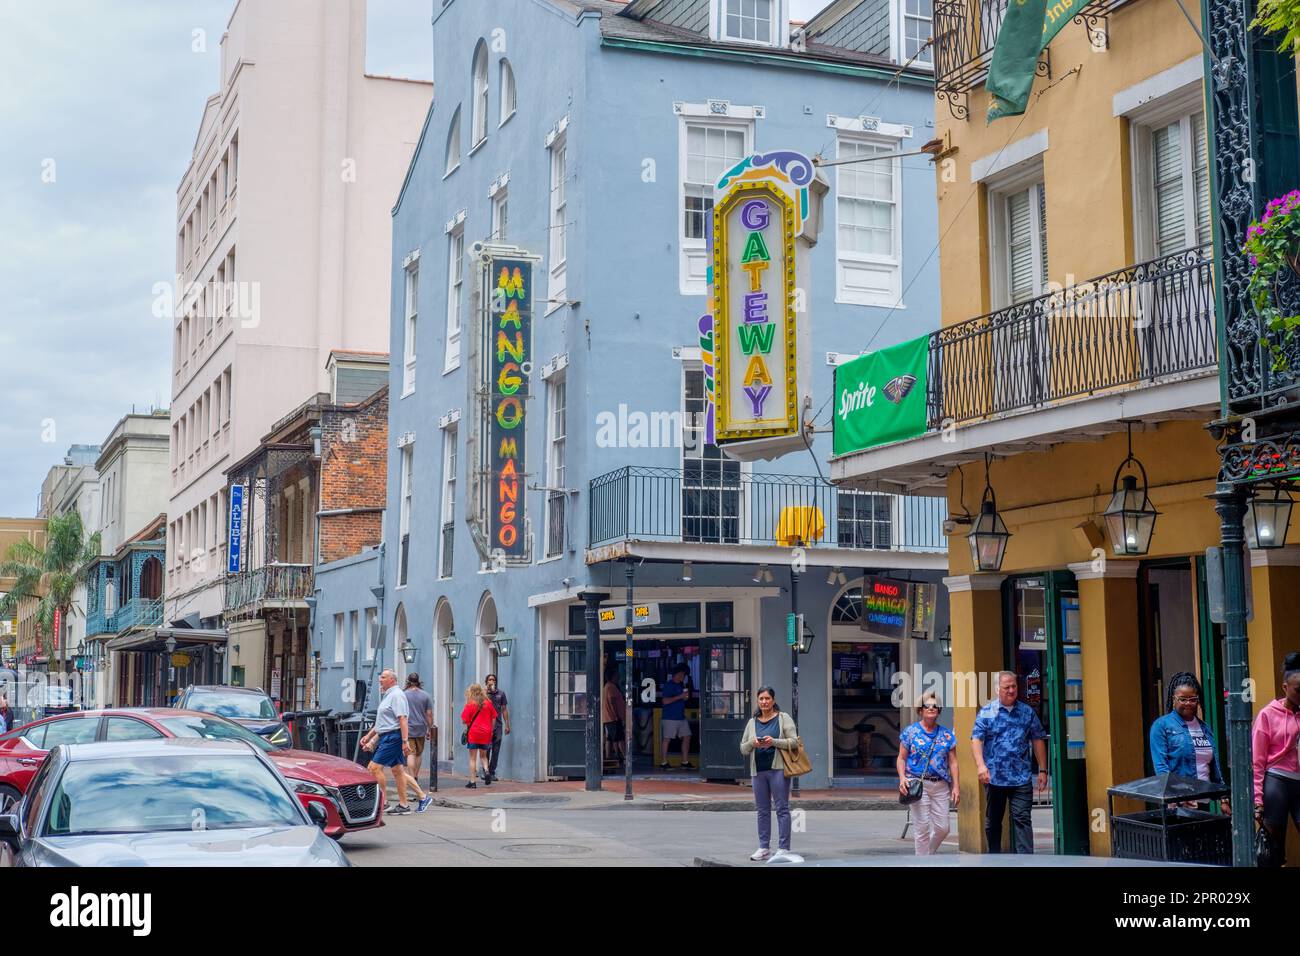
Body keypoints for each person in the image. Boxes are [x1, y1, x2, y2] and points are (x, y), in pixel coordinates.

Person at [971, 671, 1048, 854]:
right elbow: (976, 739)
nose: (1011, 690)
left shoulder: (1027, 712)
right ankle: (994, 858)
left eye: (1014, 686)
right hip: (994, 777)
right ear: (998, 689)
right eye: (1007, 687)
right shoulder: (987, 713)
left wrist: (1043, 770)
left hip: (1021, 777)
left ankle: (1025, 861)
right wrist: (981, 766)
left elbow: (1037, 739)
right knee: (994, 820)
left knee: (1022, 818)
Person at [1149, 672, 1229, 813]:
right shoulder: (1161, 726)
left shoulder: (1205, 728)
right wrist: (1177, 796)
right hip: (1177, 804)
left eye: (1192, 699)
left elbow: (1214, 767)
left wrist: (1223, 798)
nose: (1188, 703)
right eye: (1183, 699)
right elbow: (1161, 768)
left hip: (1203, 801)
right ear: (1174, 699)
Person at [360, 669, 432, 814]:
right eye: (380, 677)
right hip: (386, 736)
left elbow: (402, 719)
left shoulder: (397, 695)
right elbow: (382, 722)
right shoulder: (388, 695)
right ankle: (407, 804)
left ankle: (383, 802)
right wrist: (369, 737)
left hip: (393, 737)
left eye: (383, 677)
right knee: (398, 771)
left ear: (392, 680)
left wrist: (405, 741)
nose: (380, 680)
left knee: (373, 768)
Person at [739, 686, 798, 863]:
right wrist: (753, 743)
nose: (764, 702)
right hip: (758, 771)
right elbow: (743, 748)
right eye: (761, 699)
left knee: (782, 808)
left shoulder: (783, 718)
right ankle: (764, 847)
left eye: (767, 698)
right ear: (758, 701)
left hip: (778, 770)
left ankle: (783, 848)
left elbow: (794, 742)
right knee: (762, 810)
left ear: (773, 700)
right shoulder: (752, 722)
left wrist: (774, 742)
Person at [1252, 651, 1300, 867]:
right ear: (1285, 688)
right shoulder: (1267, 715)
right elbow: (1257, 761)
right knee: (1274, 847)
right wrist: (1258, 799)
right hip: (1277, 780)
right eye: (1298, 691)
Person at [897, 693, 960, 855]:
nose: (931, 708)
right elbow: (901, 758)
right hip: (917, 783)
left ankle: (927, 854)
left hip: (941, 784)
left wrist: (956, 787)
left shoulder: (947, 735)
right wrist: (903, 778)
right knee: (922, 827)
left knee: (943, 828)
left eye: (935, 706)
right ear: (920, 710)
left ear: (939, 711)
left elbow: (953, 762)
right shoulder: (910, 732)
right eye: (927, 706)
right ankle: (923, 862)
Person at [461, 683, 499, 788]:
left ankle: (472, 782)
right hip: (486, 733)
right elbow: (494, 717)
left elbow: (464, 720)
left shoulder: (470, 704)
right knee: (483, 756)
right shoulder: (488, 703)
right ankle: (487, 771)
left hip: (473, 733)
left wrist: (468, 722)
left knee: (473, 758)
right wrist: (491, 730)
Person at [403, 673, 435, 789]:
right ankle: (416, 776)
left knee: (411, 753)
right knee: (418, 753)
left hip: (408, 727)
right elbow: (429, 714)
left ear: (408, 681)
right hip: (421, 727)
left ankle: (412, 777)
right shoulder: (425, 695)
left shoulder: (404, 695)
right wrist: (430, 728)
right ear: (418, 681)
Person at [659, 665, 693, 770]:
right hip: (670, 717)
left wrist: (685, 697)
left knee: (687, 736)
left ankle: (685, 761)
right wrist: (680, 697)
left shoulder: (681, 685)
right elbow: (665, 701)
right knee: (667, 739)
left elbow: (682, 698)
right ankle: (664, 762)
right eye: (682, 674)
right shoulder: (669, 685)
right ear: (677, 674)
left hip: (680, 717)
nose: (684, 677)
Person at [484, 674, 510, 783]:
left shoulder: (501, 694)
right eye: (489, 680)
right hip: (486, 725)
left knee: (496, 749)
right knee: (486, 748)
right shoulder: (483, 693)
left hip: (498, 725)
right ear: (486, 682)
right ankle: (486, 772)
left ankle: (492, 772)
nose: (491, 681)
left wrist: (507, 724)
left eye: (493, 680)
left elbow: (504, 709)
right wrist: (486, 691)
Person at [602, 668, 626, 766]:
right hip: (613, 718)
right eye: (617, 675)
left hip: (608, 717)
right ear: (612, 677)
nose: (618, 677)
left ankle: (609, 757)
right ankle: (625, 757)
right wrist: (616, 715)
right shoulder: (611, 687)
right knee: (619, 738)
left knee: (610, 738)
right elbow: (612, 701)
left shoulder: (607, 686)